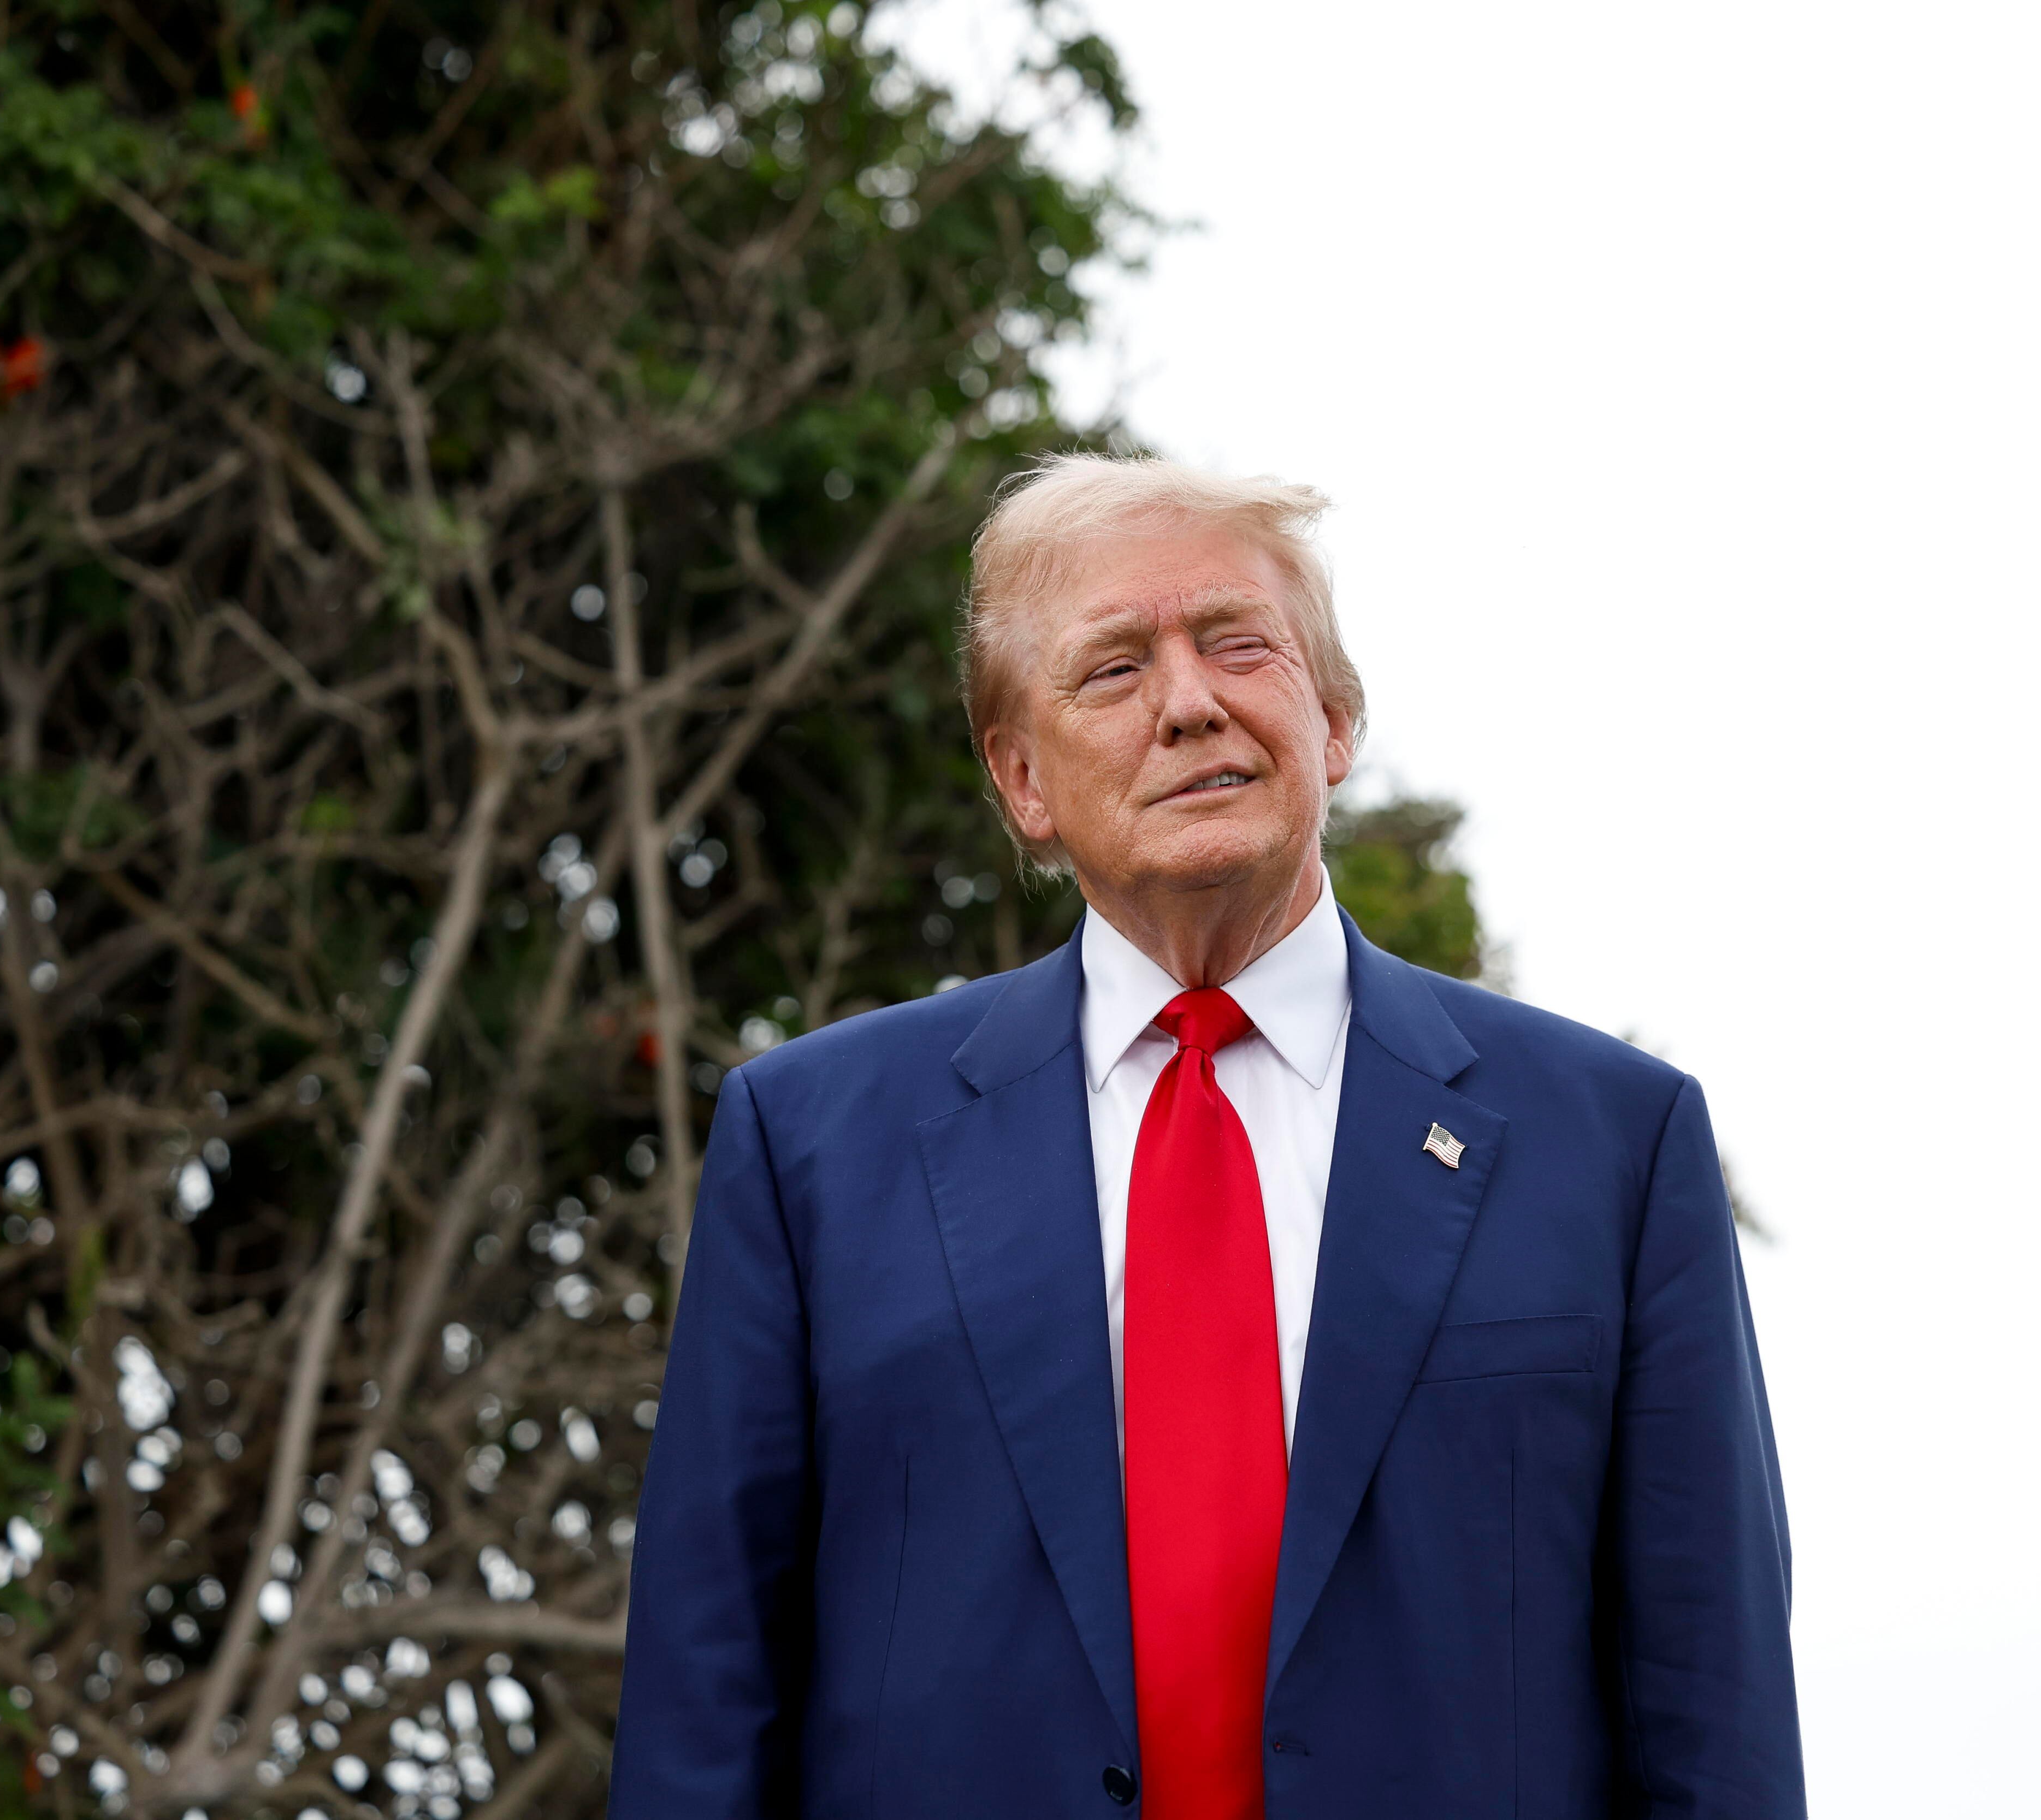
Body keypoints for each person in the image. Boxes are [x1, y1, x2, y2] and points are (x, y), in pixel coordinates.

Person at [610, 456, 1804, 1819]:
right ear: (1022, 779)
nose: (1189, 701)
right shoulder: (810, 1146)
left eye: (1238, 643)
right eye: (1114, 668)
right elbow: (702, 1701)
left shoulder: (1612, 1144)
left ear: (1333, 721)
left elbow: (1714, 1713)